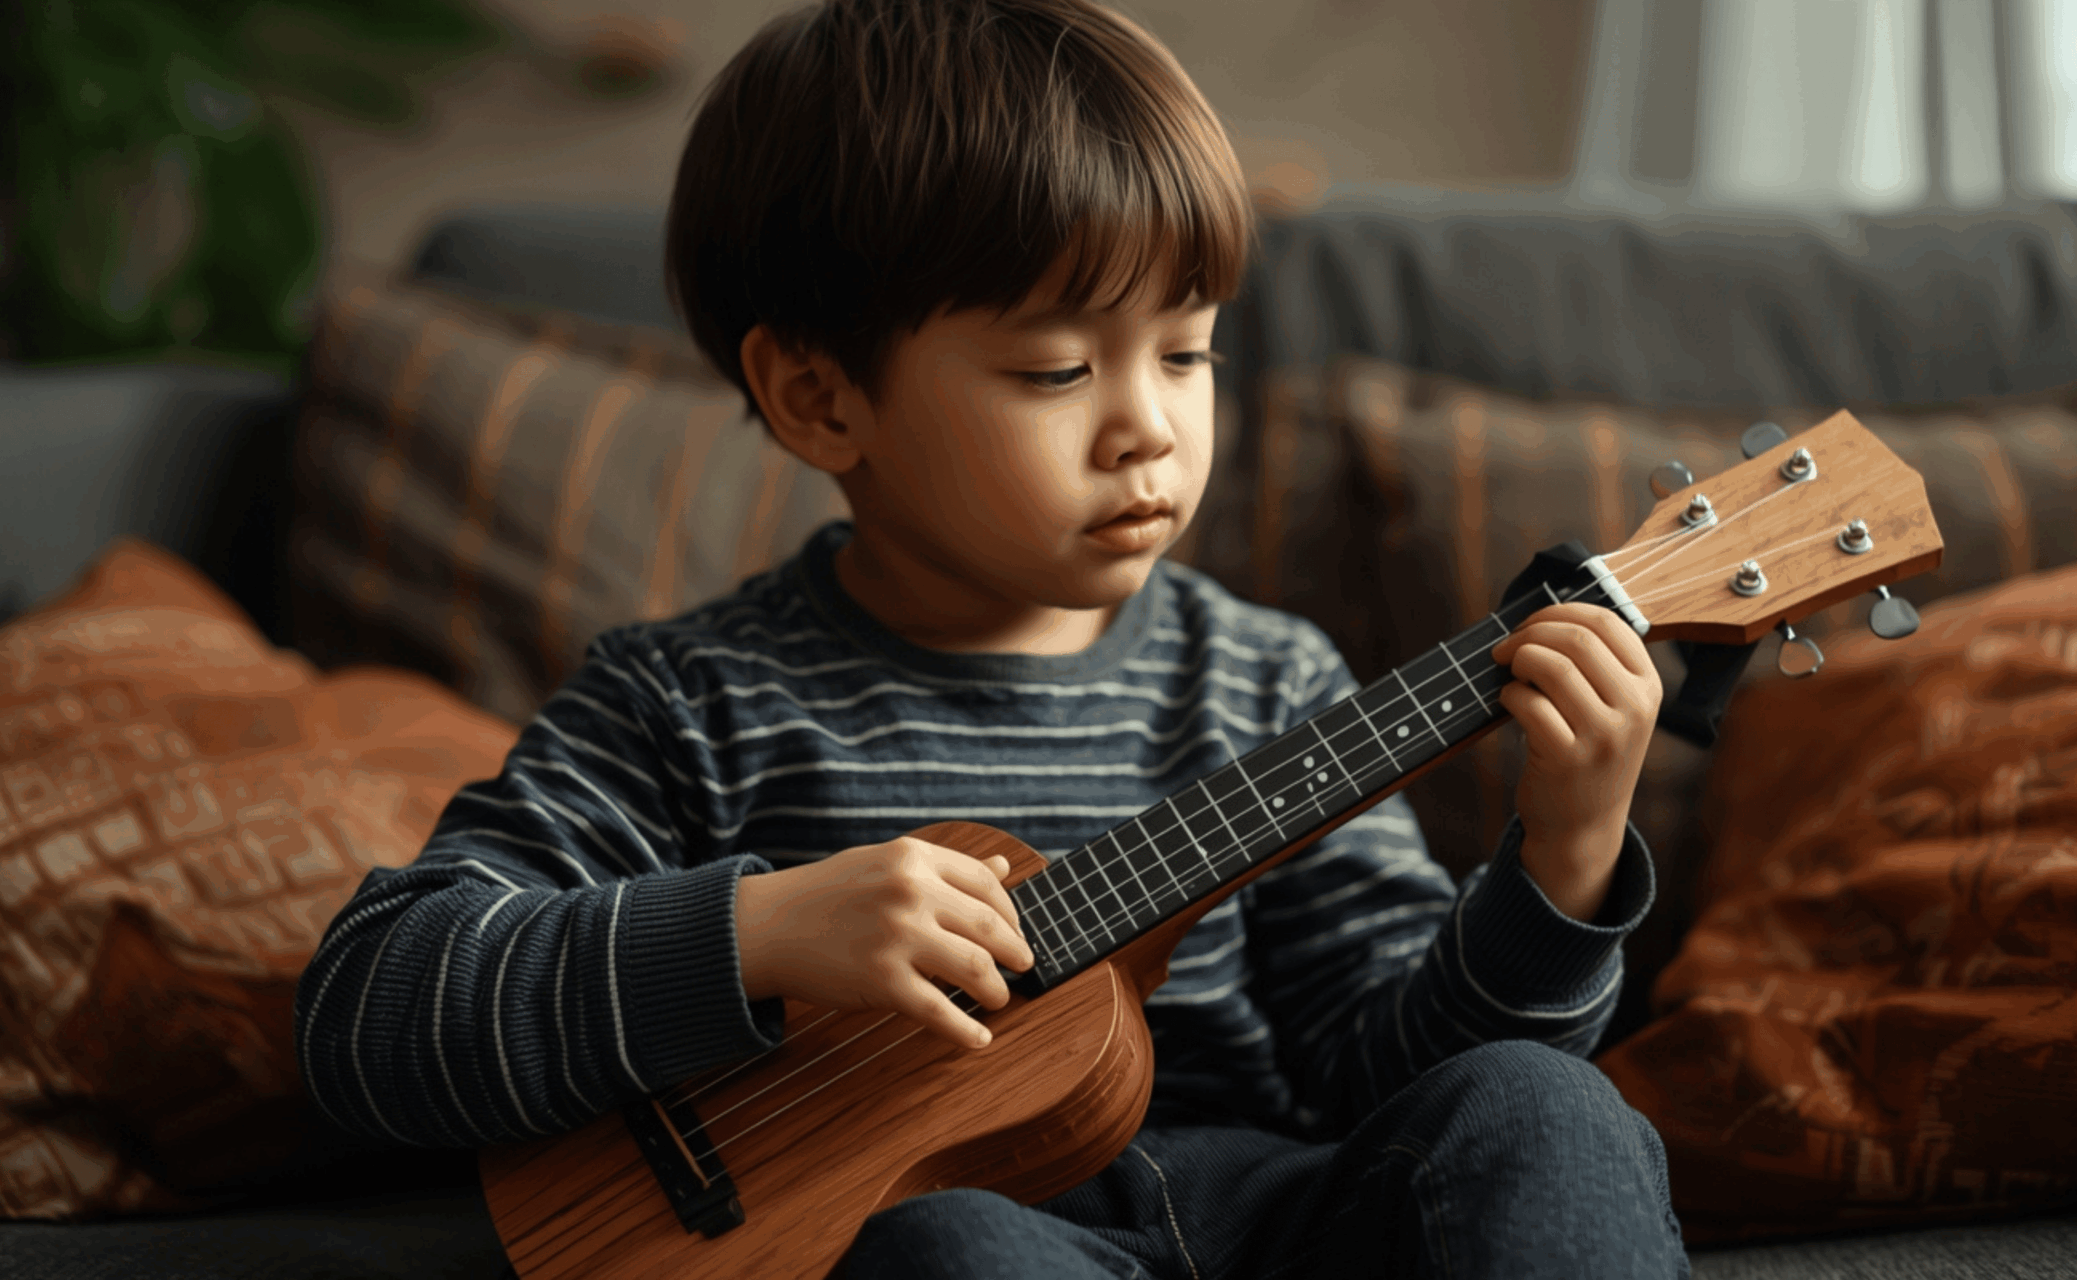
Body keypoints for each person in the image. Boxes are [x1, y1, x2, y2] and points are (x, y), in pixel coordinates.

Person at [295, 1, 1690, 1275]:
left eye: (1189, 351)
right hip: (948, 1247)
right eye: (1058, 369)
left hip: (1269, 1216)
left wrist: (1561, 865)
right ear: (821, 399)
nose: (1149, 422)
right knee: (955, 1252)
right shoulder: (689, 702)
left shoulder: (1264, 680)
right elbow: (370, 1011)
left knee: (1541, 1108)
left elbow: (1388, 1081)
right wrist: (758, 931)